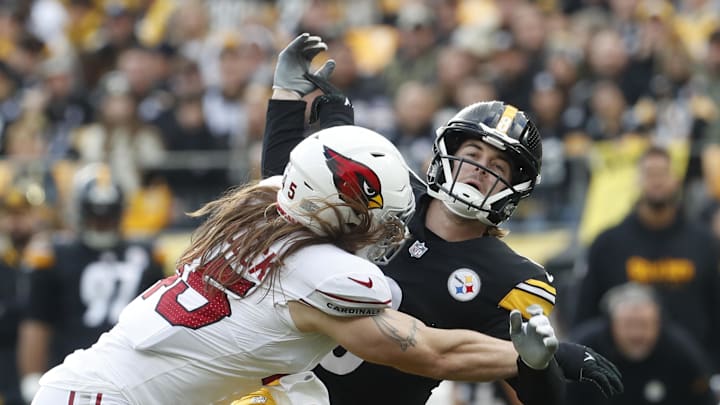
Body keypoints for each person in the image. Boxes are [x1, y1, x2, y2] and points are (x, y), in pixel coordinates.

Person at [31, 125, 561, 405]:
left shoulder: (257, 209)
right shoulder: (324, 275)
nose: (390, 230)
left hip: (87, 382)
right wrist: (531, 354)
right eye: (374, 215)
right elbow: (427, 350)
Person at [259, 33, 623, 404]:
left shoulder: (514, 279)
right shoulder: (388, 192)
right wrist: (287, 99)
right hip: (283, 391)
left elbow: (537, 397)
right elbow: (281, 197)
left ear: (516, 188)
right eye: (473, 153)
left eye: (498, 166)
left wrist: (538, 366)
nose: (480, 170)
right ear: (446, 153)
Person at [17, 163, 166, 403]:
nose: (102, 221)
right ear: (80, 211)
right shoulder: (52, 254)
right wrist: (32, 377)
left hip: (131, 374)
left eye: (108, 214)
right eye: (95, 213)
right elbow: (37, 321)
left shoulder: (149, 254)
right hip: (71, 373)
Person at [572, 145, 720, 372]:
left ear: (676, 180)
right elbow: (585, 316)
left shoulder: (703, 242)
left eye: (663, 173)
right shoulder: (607, 243)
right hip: (622, 374)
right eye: (650, 174)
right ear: (637, 181)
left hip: (689, 373)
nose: (657, 181)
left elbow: (715, 310)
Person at [568, 282, 717, 404]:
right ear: (612, 324)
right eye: (628, 325)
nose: (636, 334)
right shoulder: (583, 352)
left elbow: (704, 398)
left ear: (658, 324)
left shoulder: (682, 353)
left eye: (644, 325)